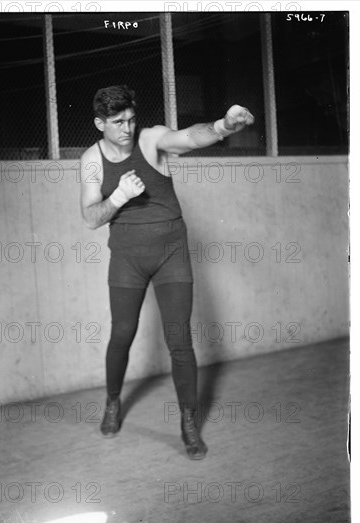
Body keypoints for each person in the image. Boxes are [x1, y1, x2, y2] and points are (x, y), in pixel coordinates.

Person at [80, 85, 254, 460]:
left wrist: (224, 125)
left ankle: (188, 422)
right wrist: (118, 197)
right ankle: (112, 401)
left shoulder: (151, 140)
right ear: (99, 123)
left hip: (171, 253)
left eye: (129, 119)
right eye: (116, 122)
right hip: (126, 257)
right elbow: (91, 217)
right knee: (122, 334)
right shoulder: (91, 160)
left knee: (179, 341)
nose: (126, 128)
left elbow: (190, 137)